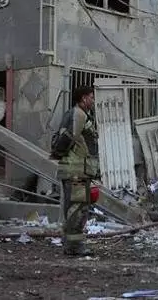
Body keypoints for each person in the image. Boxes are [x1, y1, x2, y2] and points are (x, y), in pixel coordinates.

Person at [56, 85, 99, 256]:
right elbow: (66, 139)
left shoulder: (77, 114)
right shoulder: (78, 115)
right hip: (76, 169)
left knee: (75, 207)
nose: (93, 100)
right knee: (77, 209)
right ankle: (75, 246)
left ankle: (70, 244)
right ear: (83, 98)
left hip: (78, 168)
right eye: (91, 97)